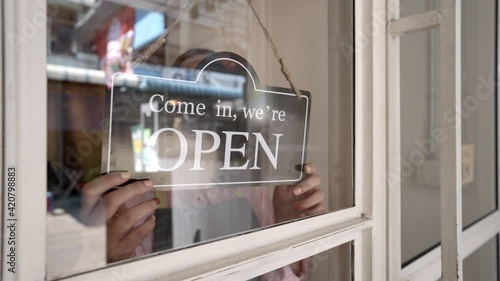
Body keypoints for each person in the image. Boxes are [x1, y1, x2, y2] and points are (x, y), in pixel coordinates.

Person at [81, 49, 325, 280]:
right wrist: (108, 263)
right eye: (192, 88)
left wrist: (287, 230)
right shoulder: (136, 195)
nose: (207, 105)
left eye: (215, 87)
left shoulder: (254, 184)